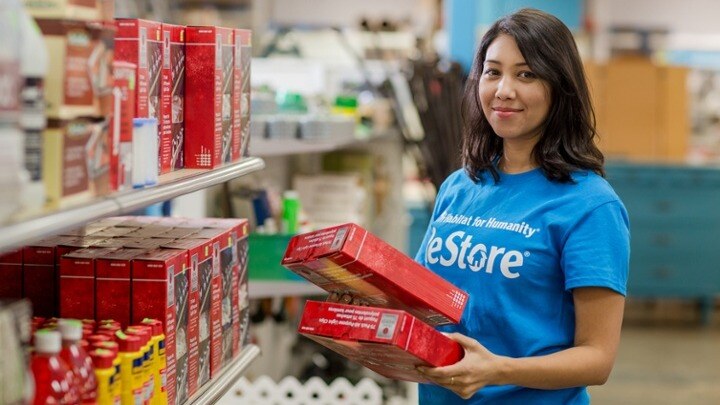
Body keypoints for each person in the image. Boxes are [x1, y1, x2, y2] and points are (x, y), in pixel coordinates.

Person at [413, 8, 630, 404]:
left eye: (526, 74)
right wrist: (366, 299)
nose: (503, 90)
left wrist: (497, 369)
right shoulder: (459, 186)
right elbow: (425, 300)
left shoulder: (590, 206)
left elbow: (597, 359)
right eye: (493, 72)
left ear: (560, 87)